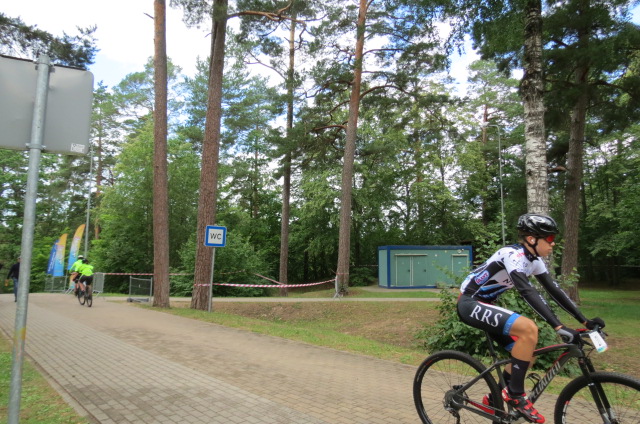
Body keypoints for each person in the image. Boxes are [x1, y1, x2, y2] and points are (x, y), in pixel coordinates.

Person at [456, 213, 605, 424]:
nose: (553, 244)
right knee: (529, 329)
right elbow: (527, 291)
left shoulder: (534, 261)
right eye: (550, 239)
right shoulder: (512, 254)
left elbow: (555, 291)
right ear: (532, 239)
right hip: (469, 303)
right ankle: (515, 394)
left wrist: (585, 321)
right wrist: (558, 326)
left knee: (528, 352)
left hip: (487, 305)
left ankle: (494, 398)